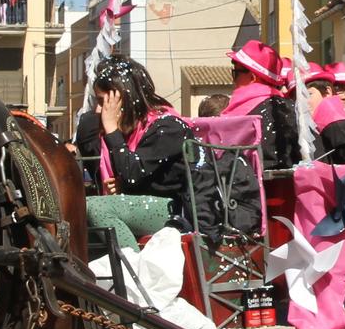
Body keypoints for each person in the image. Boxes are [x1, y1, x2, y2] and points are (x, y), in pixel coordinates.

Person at [76, 57, 193, 220]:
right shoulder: (129, 130)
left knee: (95, 208)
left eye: (104, 102)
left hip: (172, 210)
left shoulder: (167, 127)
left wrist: (111, 128)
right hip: (139, 205)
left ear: (126, 99)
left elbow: (133, 174)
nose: (98, 110)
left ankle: (127, 248)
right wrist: (121, 185)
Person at [222, 39, 284, 119]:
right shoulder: (289, 108)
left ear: (252, 77)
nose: (234, 81)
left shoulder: (237, 113)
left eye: (236, 73)